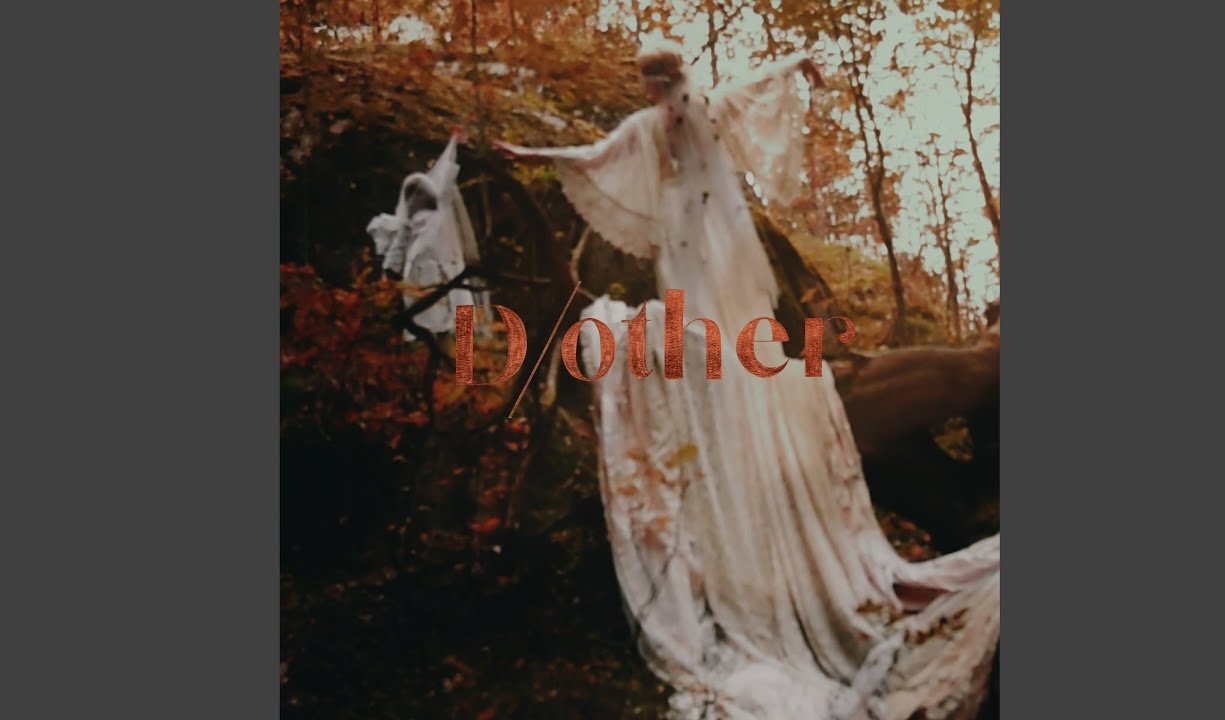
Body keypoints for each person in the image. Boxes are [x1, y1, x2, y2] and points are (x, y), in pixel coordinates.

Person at [498, 39, 1000, 720]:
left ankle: (735, 355)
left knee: (728, 315)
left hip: (716, 229)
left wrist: (798, 64)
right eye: (651, 82)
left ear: (669, 79)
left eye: (657, 79)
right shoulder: (658, 124)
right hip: (690, 231)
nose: (655, 91)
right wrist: (533, 155)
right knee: (696, 313)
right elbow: (603, 152)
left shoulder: (694, 110)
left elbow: (748, 89)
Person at [368, 126, 488, 338]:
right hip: (418, 277)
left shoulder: (439, 214)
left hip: (443, 275)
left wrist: (452, 145)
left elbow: (444, 175)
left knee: (447, 319)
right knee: (422, 322)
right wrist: (388, 271)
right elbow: (398, 248)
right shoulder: (407, 224)